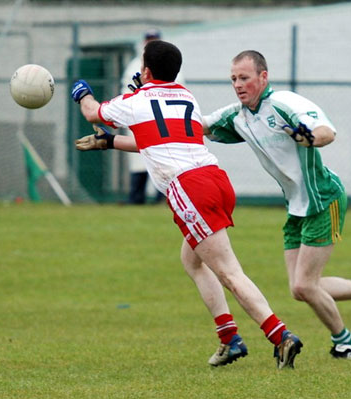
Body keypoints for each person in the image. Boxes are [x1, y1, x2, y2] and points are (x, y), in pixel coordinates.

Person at [70, 40, 303, 369]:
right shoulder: (186, 96)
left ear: (146, 70)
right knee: (192, 261)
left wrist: (82, 92)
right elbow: (159, 140)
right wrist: (110, 141)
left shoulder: (136, 99)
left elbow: (94, 113)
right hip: (216, 180)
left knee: (229, 272)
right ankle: (229, 339)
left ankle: (281, 337)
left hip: (189, 188)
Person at [201, 50, 351, 359]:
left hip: (323, 199)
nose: (238, 84)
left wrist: (309, 137)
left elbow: (327, 132)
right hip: (296, 206)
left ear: (263, 77)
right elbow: (199, 125)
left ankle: (345, 343)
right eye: (233, 79)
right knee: (301, 287)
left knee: (305, 285)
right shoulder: (239, 116)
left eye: (244, 77)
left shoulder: (286, 104)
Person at [121, 28, 165, 204]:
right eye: (149, 40)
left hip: (163, 123)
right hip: (139, 121)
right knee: (139, 161)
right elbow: (126, 96)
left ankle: (163, 199)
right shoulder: (134, 67)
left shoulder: (170, 65)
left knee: (163, 162)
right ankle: (136, 198)